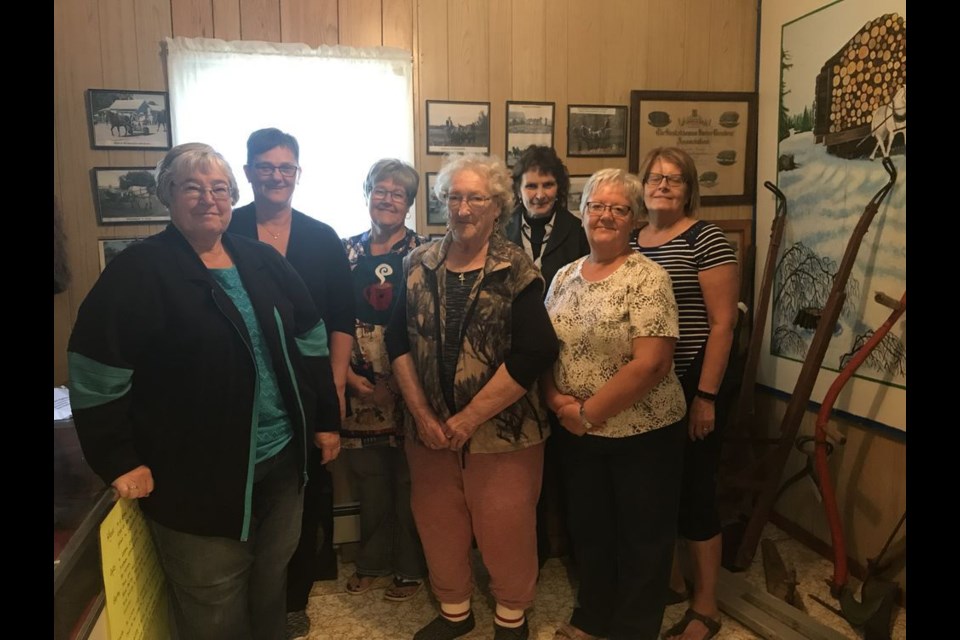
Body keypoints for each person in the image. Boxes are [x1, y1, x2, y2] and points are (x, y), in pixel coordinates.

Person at [68, 142, 341, 640]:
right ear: (165, 196)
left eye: (218, 188)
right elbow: (96, 371)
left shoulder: (261, 260)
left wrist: (325, 421)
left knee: (269, 583)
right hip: (194, 475)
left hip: (281, 463)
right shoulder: (138, 272)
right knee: (213, 601)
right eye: (191, 187)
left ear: (234, 196)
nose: (207, 198)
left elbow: (311, 340)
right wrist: (119, 459)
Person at [385, 154, 559, 640]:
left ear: (497, 206)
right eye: (454, 197)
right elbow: (396, 338)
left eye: (475, 198)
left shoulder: (516, 268)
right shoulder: (417, 263)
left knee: (506, 529)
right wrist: (422, 414)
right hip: (429, 433)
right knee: (438, 524)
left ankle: (511, 616)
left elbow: (535, 351)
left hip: (504, 435)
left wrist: (468, 419)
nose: (463, 208)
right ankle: (455, 612)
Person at [542, 168, 688, 640]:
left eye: (618, 208)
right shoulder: (564, 276)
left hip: (642, 434)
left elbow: (652, 364)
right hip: (577, 432)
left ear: (634, 220)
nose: (605, 216)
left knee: (643, 539)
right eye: (596, 206)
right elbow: (545, 347)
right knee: (591, 531)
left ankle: (632, 629)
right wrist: (556, 399)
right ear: (582, 214)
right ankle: (593, 615)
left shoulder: (648, 278)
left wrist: (586, 413)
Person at [228, 127, 356, 639]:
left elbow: (341, 319)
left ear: (298, 174)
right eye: (266, 166)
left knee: (306, 494)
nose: (276, 176)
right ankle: (244, 597)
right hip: (244, 390)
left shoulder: (321, 236)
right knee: (247, 496)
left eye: (286, 167)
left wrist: (337, 387)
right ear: (248, 172)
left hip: (310, 390)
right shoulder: (225, 227)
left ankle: (294, 597)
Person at [632, 148, 739, 640]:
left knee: (696, 490)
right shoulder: (633, 239)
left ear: (689, 187)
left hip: (695, 377)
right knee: (655, 487)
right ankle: (672, 581)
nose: (663, 185)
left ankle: (706, 604)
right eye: (655, 177)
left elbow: (722, 325)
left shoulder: (706, 238)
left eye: (674, 179)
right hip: (644, 385)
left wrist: (706, 397)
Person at [340, 159, 428, 602]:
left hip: (410, 388)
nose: (388, 199)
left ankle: (411, 568)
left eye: (398, 193)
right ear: (367, 194)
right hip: (357, 388)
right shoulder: (344, 251)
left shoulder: (426, 253)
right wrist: (350, 377)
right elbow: (330, 317)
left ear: (410, 202)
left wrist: (397, 382)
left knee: (412, 482)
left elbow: (430, 324)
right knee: (370, 482)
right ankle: (373, 562)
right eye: (380, 190)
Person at [503, 145, 589, 566]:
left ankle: (575, 552)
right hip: (514, 356)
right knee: (522, 462)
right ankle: (529, 553)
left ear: (561, 188)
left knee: (567, 461)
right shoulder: (499, 230)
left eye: (548, 184)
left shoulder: (581, 230)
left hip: (568, 356)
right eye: (531, 184)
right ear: (518, 189)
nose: (539, 193)